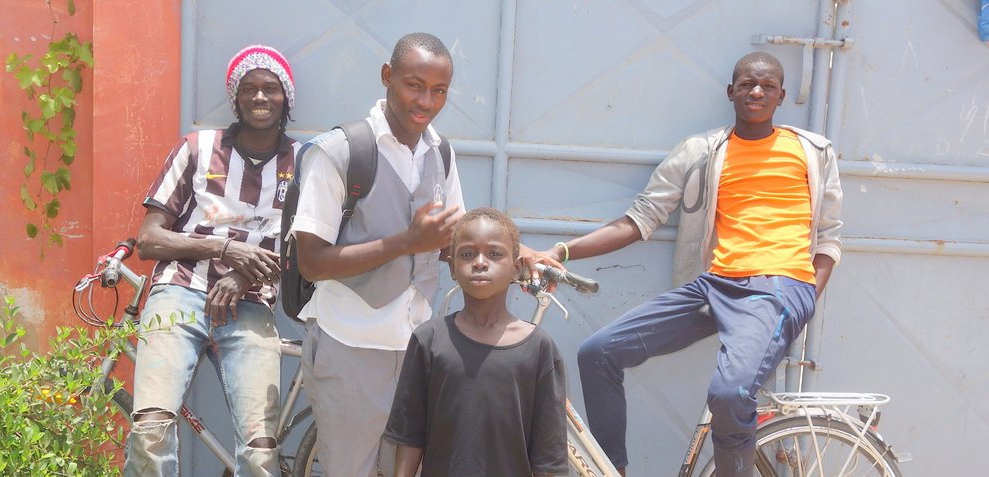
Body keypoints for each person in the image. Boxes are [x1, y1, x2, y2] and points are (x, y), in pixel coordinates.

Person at [534, 52, 843, 476]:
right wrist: (563, 252)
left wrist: (806, 294)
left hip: (778, 286)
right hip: (714, 286)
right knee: (598, 352)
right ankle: (612, 470)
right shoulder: (701, 151)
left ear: (782, 95)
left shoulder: (813, 152)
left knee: (730, 395)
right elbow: (640, 219)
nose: (756, 92)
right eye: (747, 84)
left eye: (767, 86)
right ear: (730, 91)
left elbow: (829, 238)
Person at [289, 32, 464, 476]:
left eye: (439, 90)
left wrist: (518, 255)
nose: (426, 101)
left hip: (416, 348)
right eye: (414, 85)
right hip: (350, 345)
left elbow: (451, 239)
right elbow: (311, 260)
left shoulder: (440, 152)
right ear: (387, 76)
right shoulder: (342, 152)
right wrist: (406, 242)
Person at [125, 44, 301, 477]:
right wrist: (223, 249)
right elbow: (149, 239)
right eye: (249, 88)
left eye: (271, 88)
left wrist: (242, 277)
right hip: (179, 292)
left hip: (250, 303)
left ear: (286, 98)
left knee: (261, 448)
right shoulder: (197, 148)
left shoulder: (303, 163)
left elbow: (303, 246)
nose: (260, 97)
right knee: (150, 428)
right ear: (235, 98)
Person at [383, 207, 568, 477]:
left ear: (516, 268)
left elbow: (547, 457)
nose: (480, 262)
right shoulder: (429, 340)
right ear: (452, 267)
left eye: (495, 254)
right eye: (467, 254)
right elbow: (410, 436)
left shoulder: (538, 349)